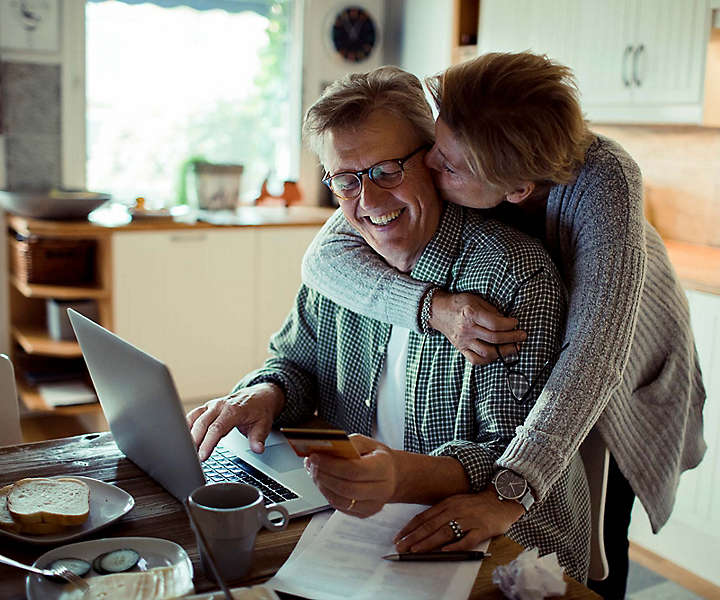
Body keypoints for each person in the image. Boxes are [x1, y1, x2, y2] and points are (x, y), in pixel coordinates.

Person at [301, 52, 707, 599]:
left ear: (515, 191)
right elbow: (322, 257)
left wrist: (508, 496)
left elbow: (594, 358)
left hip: (627, 376)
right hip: (572, 355)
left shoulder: (602, 185)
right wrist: (434, 307)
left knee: (598, 542)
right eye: (429, 153)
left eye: (443, 166)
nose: (429, 170)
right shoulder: (471, 153)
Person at [188, 65, 591, 582]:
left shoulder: (511, 276)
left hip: (499, 544)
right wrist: (263, 394)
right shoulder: (343, 259)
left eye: (386, 171)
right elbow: (292, 361)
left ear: (434, 159)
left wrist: (399, 477)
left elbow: (515, 457)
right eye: (346, 180)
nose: (369, 202)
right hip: (356, 526)